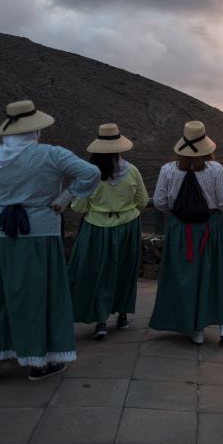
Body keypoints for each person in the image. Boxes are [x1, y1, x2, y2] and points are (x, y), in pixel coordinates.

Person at [0, 100, 100, 385]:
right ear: (35, 130)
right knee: (40, 297)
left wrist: (0, 201)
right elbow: (91, 173)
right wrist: (64, 199)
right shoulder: (52, 154)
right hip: (41, 236)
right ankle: (39, 363)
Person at [149, 121, 223, 345]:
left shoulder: (168, 170)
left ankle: (195, 328)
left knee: (184, 276)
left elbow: (159, 202)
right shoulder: (215, 170)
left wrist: (178, 211)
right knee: (216, 274)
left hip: (181, 230)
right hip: (210, 228)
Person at [68, 123, 148, 340]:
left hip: (97, 228)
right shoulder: (132, 171)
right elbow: (143, 201)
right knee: (125, 269)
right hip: (128, 227)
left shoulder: (89, 174)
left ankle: (101, 320)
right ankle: (122, 315)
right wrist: (125, 210)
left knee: (98, 272)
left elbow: (78, 206)